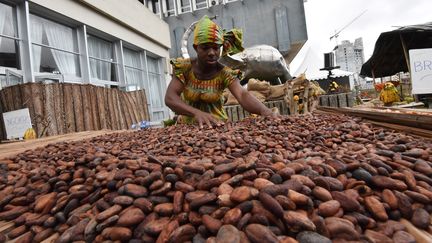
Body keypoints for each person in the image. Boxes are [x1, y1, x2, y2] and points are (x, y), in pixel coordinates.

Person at [164, 16, 278, 128]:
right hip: (188, 129)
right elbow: (170, 98)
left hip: (218, 126)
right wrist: (196, 113)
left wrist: (265, 111)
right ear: (195, 48)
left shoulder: (224, 73)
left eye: (216, 48)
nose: (211, 53)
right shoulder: (184, 68)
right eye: (205, 48)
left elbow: (242, 95)